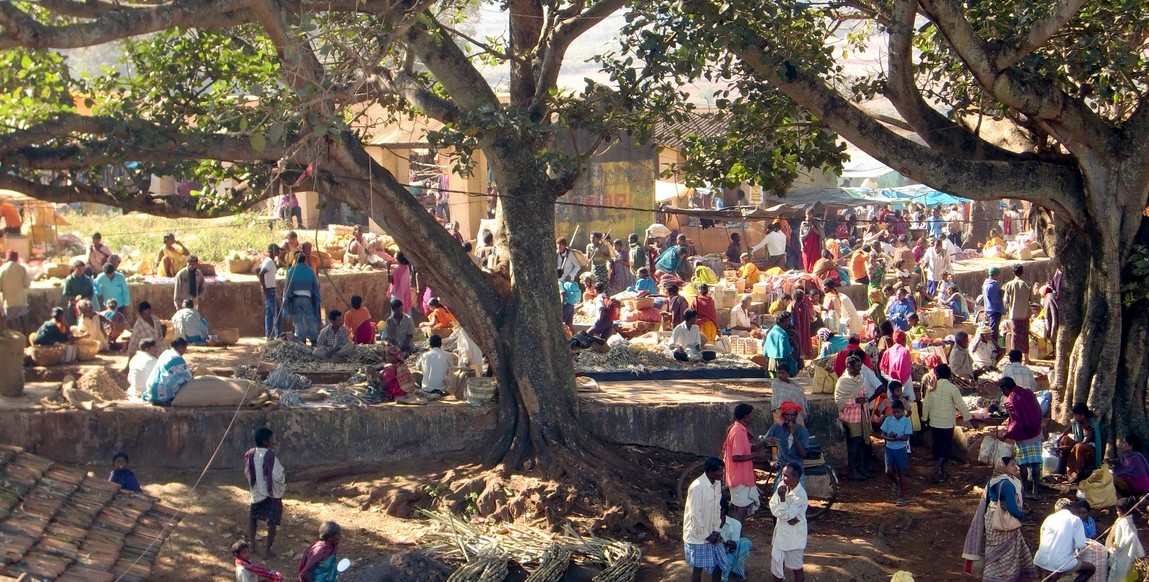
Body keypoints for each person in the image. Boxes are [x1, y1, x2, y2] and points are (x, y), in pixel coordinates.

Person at [962, 456, 1037, 581]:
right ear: (1004, 467)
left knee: (992, 550)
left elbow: (987, 503)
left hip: (991, 520)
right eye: (1012, 465)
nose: (1016, 467)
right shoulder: (1008, 484)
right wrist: (1021, 515)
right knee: (1007, 554)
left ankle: (990, 577)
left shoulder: (993, 481)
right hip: (1005, 522)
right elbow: (1012, 508)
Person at [922, 363, 971, 482]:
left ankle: (943, 473)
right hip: (947, 424)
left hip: (934, 423)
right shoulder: (952, 388)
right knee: (946, 449)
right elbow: (961, 405)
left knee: (938, 448)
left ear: (937, 375)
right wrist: (968, 418)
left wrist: (924, 418)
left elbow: (926, 404)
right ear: (949, 375)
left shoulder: (931, 388)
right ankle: (935, 470)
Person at [684, 457, 728, 582]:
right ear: (710, 471)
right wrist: (706, 535)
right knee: (698, 569)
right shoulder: (697, 487)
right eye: (720, 471)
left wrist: (716, 530)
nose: (722, 473)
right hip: (697, 535)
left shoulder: (717, 483)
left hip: (712, 532)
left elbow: (717, 509)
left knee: (718, 565)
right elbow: (695, 515)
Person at [998, 377, 1044, 498]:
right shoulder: (1028, 392)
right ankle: (1036, 492)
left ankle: (1025, 491)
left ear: (1005, 388)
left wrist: (1006, 435)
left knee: (1023, 464)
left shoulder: (1011, 400)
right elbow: (1038, 410)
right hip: (1036, 432)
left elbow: (1016, 422)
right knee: (1036, 463)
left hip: (1023, 435)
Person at [723, 404, 769, 523]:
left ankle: (734, 534)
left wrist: (764, 443)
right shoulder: (738, 432)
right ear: (745, 416)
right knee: (740, 511)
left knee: (739, 509)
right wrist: (756, 456)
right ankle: (736, 536)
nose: (752, 417)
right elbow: (736, 456)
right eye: (750, 415)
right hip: (739, 478)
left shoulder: (740, 430)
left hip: (742, 477)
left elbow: (749, 448)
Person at [245, 427, 286, 558]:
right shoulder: (270, 455)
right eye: (271, 439)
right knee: (272, 521)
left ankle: (251, 545)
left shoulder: (250, 454)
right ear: (265, 442)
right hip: (271, 493)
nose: (274, 441)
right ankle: (267, 550)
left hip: (257, 492)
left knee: (253, 517)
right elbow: (278, 474)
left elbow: (247, 471)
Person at [1034, 499, 1095, 582]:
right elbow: (1081, 545)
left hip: (1039, 560)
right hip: (1060, 563)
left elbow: (1042, 537)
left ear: (1057, 508)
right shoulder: (1075, 520)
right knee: (1090, 568)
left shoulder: (1049, 518)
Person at [769, 462, 808, 582]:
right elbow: (772, 506)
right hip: (780, 534)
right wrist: (787, 517)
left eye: (786, 476)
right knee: (776, 569)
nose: (782, 478)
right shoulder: (782, 485)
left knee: (796, 568)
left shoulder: (800, 496)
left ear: (795, 478)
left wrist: (782, 499)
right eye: (782, 475)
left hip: (794, 538)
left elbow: (785, 513)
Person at [836, 356, 871, 480]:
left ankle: (862, 467)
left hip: (861, 414)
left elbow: (862, 392)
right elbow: (839, 401)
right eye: (857, 366)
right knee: (855, 442)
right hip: (850, 416)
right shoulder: (843, 381)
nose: (860, 368)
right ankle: (853, 469)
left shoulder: (859, 378)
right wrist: (855, 400)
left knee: (863, 442)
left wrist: (863, 398)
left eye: (860, 366)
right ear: (849, 367)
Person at [1056, 403, 1103, 483]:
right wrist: (1059, 439)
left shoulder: (1089, 425)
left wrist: (1070, 447)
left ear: (1083, 415)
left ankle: (1077, 472)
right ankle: (1066, 469)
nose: (1074, 417)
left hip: (1088, 448)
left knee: (1079, 447)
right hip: (1078, 444)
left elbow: (1084, 442)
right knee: (1065, 439)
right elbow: (1066, 432)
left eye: (1076, 415)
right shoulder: (1075, 423)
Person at [284, 252, 322, 345]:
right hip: (307, 298)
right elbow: (315, 287)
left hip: (295, 298)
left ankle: (301, 339)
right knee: (310, 319)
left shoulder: (291, 271)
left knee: (298, 320)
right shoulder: (310, 270)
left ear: (295, 259)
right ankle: (313, 339)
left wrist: (286, 300)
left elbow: (287, 287)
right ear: (304, 259)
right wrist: (316, 300)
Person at [881, 399, 913, 506]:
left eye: (898, 412)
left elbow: (906, 437)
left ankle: (903, 496)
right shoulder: (889, 420)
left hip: (900, 449)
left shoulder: (906, 421)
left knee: (901, 472)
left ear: (903, 411)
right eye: (894, 412)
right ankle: (896, 482)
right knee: (888, 471)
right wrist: (889, 438)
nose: (896, 414)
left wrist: (898, 437)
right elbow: (882, 434)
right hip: (889, 448)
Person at [765, 401, 810, 474]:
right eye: (787, 415)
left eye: (792, 415)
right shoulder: (776, 428)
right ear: (783, 415)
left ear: (796, 416)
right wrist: (770, 461)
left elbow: (803, 454)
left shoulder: (802, 430)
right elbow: (765, 443)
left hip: (796, 470)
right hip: (781, 469)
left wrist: (794, 435)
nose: (789, 418)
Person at [1106, 497, 1145, 582]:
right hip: (1127, 553)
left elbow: (1130, 538)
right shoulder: (1128, 521)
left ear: (1125, 511)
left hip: (1122, 552)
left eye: (1118, 511)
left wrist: (1115, 548)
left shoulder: (1123, 523)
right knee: (1127, 571)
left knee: (1118, 574)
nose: (1117, 512)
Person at [144, 339, 194, 405]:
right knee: (185, 382)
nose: (184, 351)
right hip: (163, 393)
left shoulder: (166, 353)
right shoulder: (177, 358)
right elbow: (189, 377)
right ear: (180, 348)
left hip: (152, 389)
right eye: (184, 349)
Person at [1002, 264, 1033, 363]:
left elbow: (1006, 300)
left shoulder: (1009, 285)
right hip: (1024, 315)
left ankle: (1014, 358)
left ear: (1013, 273)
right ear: (1022, 272)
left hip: (1014, 315)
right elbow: (1031, 300)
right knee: (1024, 336)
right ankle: (1026, 358)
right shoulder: (1027, 284)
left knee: (1015, 337)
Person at [718, 497, 752, 582]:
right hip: (716, 554)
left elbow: (733, 548)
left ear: (722, 511)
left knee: (744, 543)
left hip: (729, 553)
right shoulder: (708, 524)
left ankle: (727, 573)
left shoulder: (736, 524)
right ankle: (734, 573)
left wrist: (732, 545)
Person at [0, 250, 31, 332]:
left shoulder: (2, 269)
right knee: (25, 327)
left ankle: (14, 344)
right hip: (21, 302)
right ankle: (27, 343)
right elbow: (27, 284)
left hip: (9, 304)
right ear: (16, 258)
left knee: (12, 330)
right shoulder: (21, 268)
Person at [256, 244, 281, 341]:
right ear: (272, 251)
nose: (279, 252)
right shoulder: (269, 261)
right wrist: (264, 286)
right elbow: (261, 273)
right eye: (277, 250)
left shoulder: (267, 260)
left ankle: (269, 335)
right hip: (269, 290)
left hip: (269, 289)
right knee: (276, 312)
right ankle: (278, 335)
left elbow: (257, 270)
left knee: (270, 313)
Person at [61, 259, 95, 326]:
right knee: (72, 325)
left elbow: (91, 293)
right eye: (79, 269)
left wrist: (85, 300)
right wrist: (74, 298)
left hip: (85, 307)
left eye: (82, 270)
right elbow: (66, 294)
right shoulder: (69, 280)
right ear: (74, 268)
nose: (81, 271)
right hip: (73, 307)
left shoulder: (87, 280)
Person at [764, 312, 797, 377]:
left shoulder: (771, 331)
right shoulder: (782, 333)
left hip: (771, 362)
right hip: (781, 362)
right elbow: (784, 351)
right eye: (786, 321)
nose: (788, 323)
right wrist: (791, 349)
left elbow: (765, 349)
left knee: (774, 381)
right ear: (780, 322)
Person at [419, 334, 452, 398]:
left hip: (426, 389)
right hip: (443, 389)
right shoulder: (447, 355)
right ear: (441, 344)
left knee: (416, 375)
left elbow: (422, 370)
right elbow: (451, 371)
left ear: (430, 345)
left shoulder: (424, 355)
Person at [983, 266, 1006, 349]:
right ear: (995, 275)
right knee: (993, 331)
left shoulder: (985, 285)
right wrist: (1002, 310)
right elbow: (996, 300)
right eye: (998, 275)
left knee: (992, 329)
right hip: (994, 311)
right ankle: (993, 348)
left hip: (989, 310)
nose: (999, 277)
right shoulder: (993, 286)